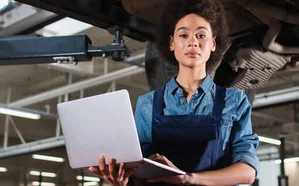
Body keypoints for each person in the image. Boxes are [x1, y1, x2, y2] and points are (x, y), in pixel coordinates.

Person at [89, 0, 259, 185]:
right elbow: (139, 173)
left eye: (201, 35)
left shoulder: (234, 101)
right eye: (184, 35)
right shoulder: (148, 103)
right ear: (172, 43)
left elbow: (247, 171)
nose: (193, 42)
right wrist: (122, 181)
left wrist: (188, 178)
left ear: (213, 44)